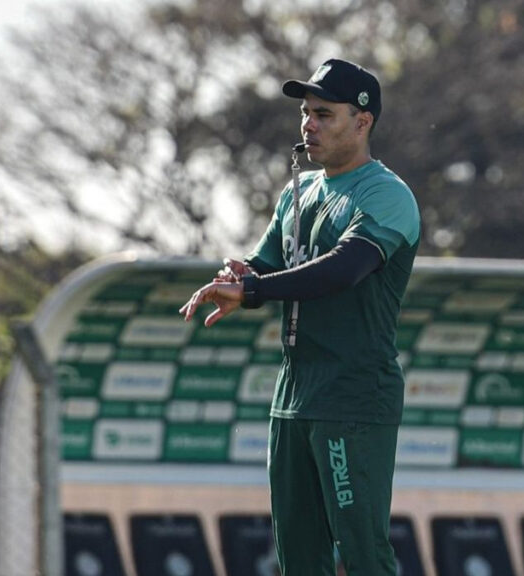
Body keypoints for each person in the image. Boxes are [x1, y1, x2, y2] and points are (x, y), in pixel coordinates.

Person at [180, 58, 420, 575]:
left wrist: (256, 289)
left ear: (363, 121)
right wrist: (240, 277)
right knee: (298, 555)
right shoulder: (297, 192)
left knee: (362, 550)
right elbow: (268, 266)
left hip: (354, 393)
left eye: (324, 114)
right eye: (306, 113)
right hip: (294, 394)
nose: (309, 124)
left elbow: (343, 271)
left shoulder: (387, 194)